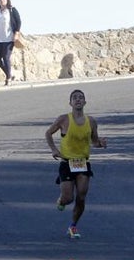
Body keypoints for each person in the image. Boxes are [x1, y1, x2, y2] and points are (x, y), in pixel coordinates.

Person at [45, 89, 107, 239]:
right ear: (70, 103)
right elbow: (48, 133)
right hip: (67, 162)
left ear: (85, 102)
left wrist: (101, 143)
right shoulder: (63, 119)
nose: (78, 100)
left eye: (81, 98)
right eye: (75, 98)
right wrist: (54, 149)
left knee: (81, 195)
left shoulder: (91, 121)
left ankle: (73, 226)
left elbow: (94, 141)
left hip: (82, 162)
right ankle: (61, 199)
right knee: (68, 199)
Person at [0, 0, 22, 85]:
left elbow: (18, 22)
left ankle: (8, 78)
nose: (2, 0)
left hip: (8, 38)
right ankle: (9, 73)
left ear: (7, 0)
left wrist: (16, 33)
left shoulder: (11, 10)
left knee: (6, 56)